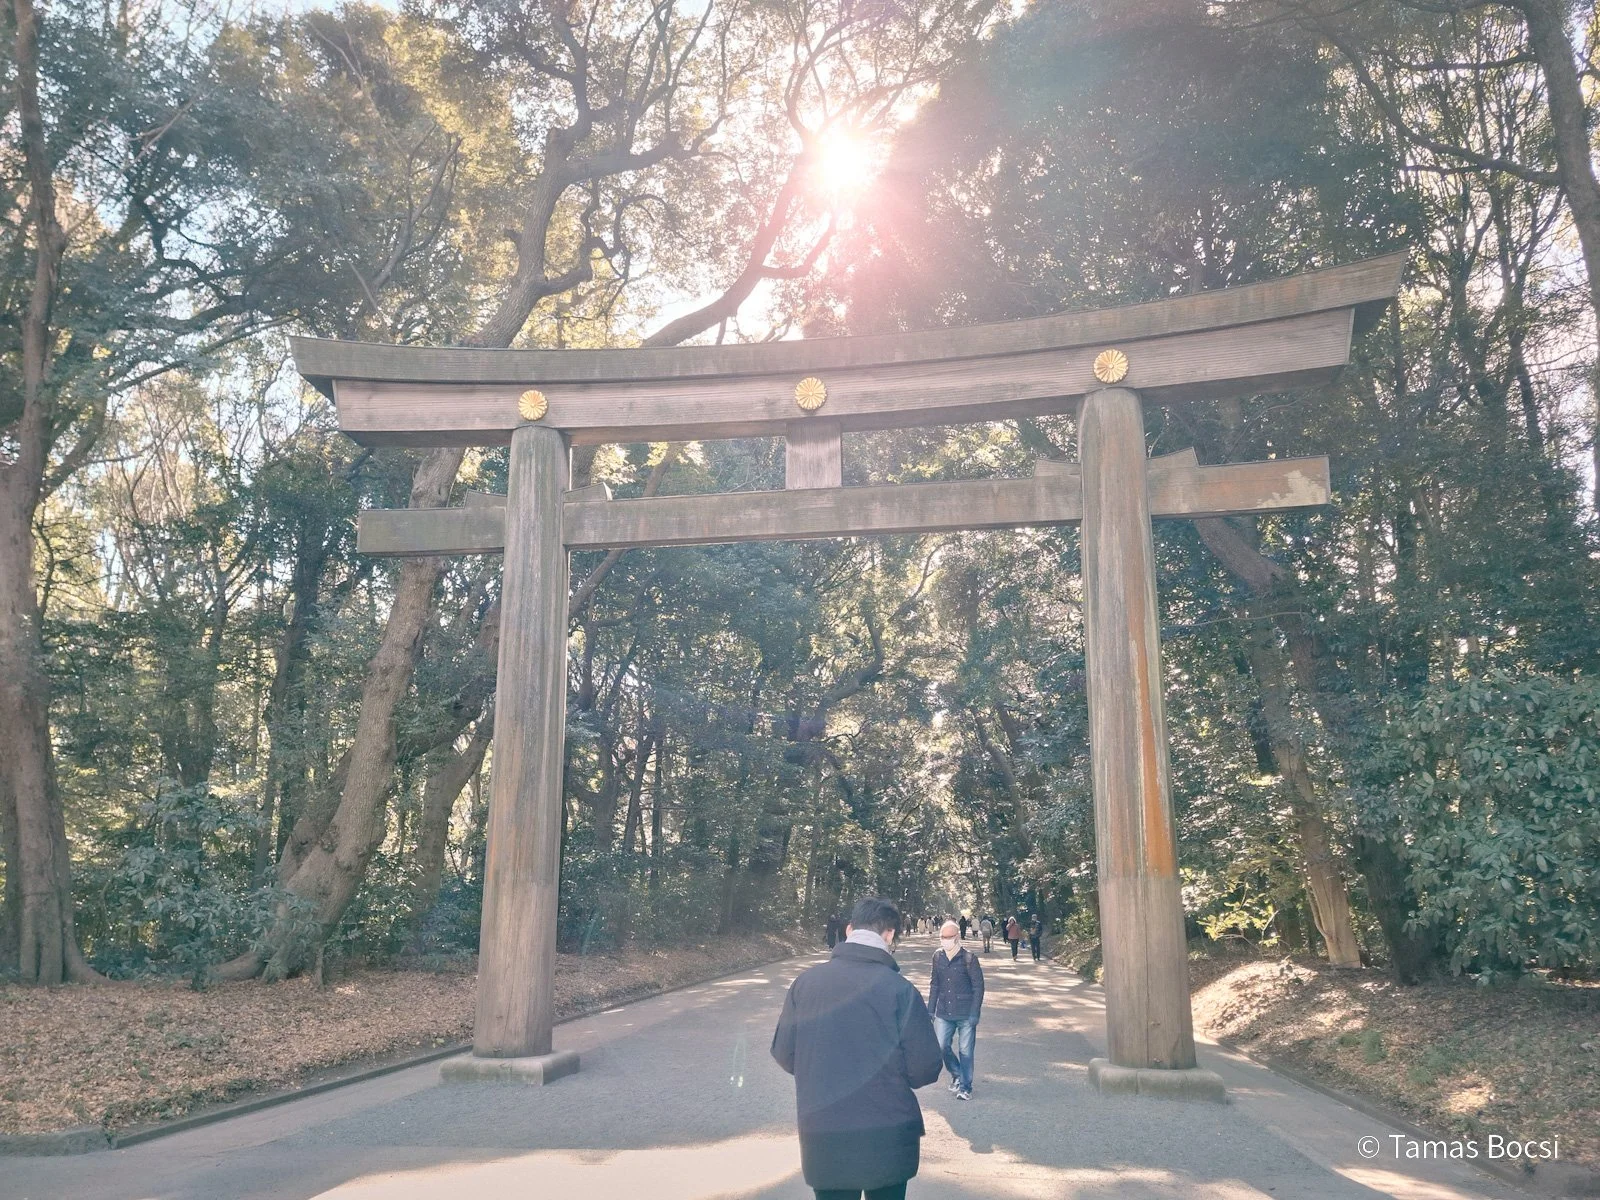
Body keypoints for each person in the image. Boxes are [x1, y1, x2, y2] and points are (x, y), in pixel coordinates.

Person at [772, 897, 943, 1200]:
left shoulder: (805, 984)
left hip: (823, 1130)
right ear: (889, 935)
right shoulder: (901, 991)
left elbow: (785, 1054)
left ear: (850, 929)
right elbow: (925, 1068)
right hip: (888, 1133)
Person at [928, 919, 984, 1100]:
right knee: (941, 1046)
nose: (945, 940)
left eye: (948, 937)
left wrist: (975, 1012)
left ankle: (965, 1087)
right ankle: (957, 1073)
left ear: (957, 936)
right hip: (944, 1011)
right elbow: (934, 984)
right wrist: (930, 1010)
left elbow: (978, 987)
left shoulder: (969, 958)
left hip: (966, 1012)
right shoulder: (937, 957)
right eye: (942, 937)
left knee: (966, 1050)